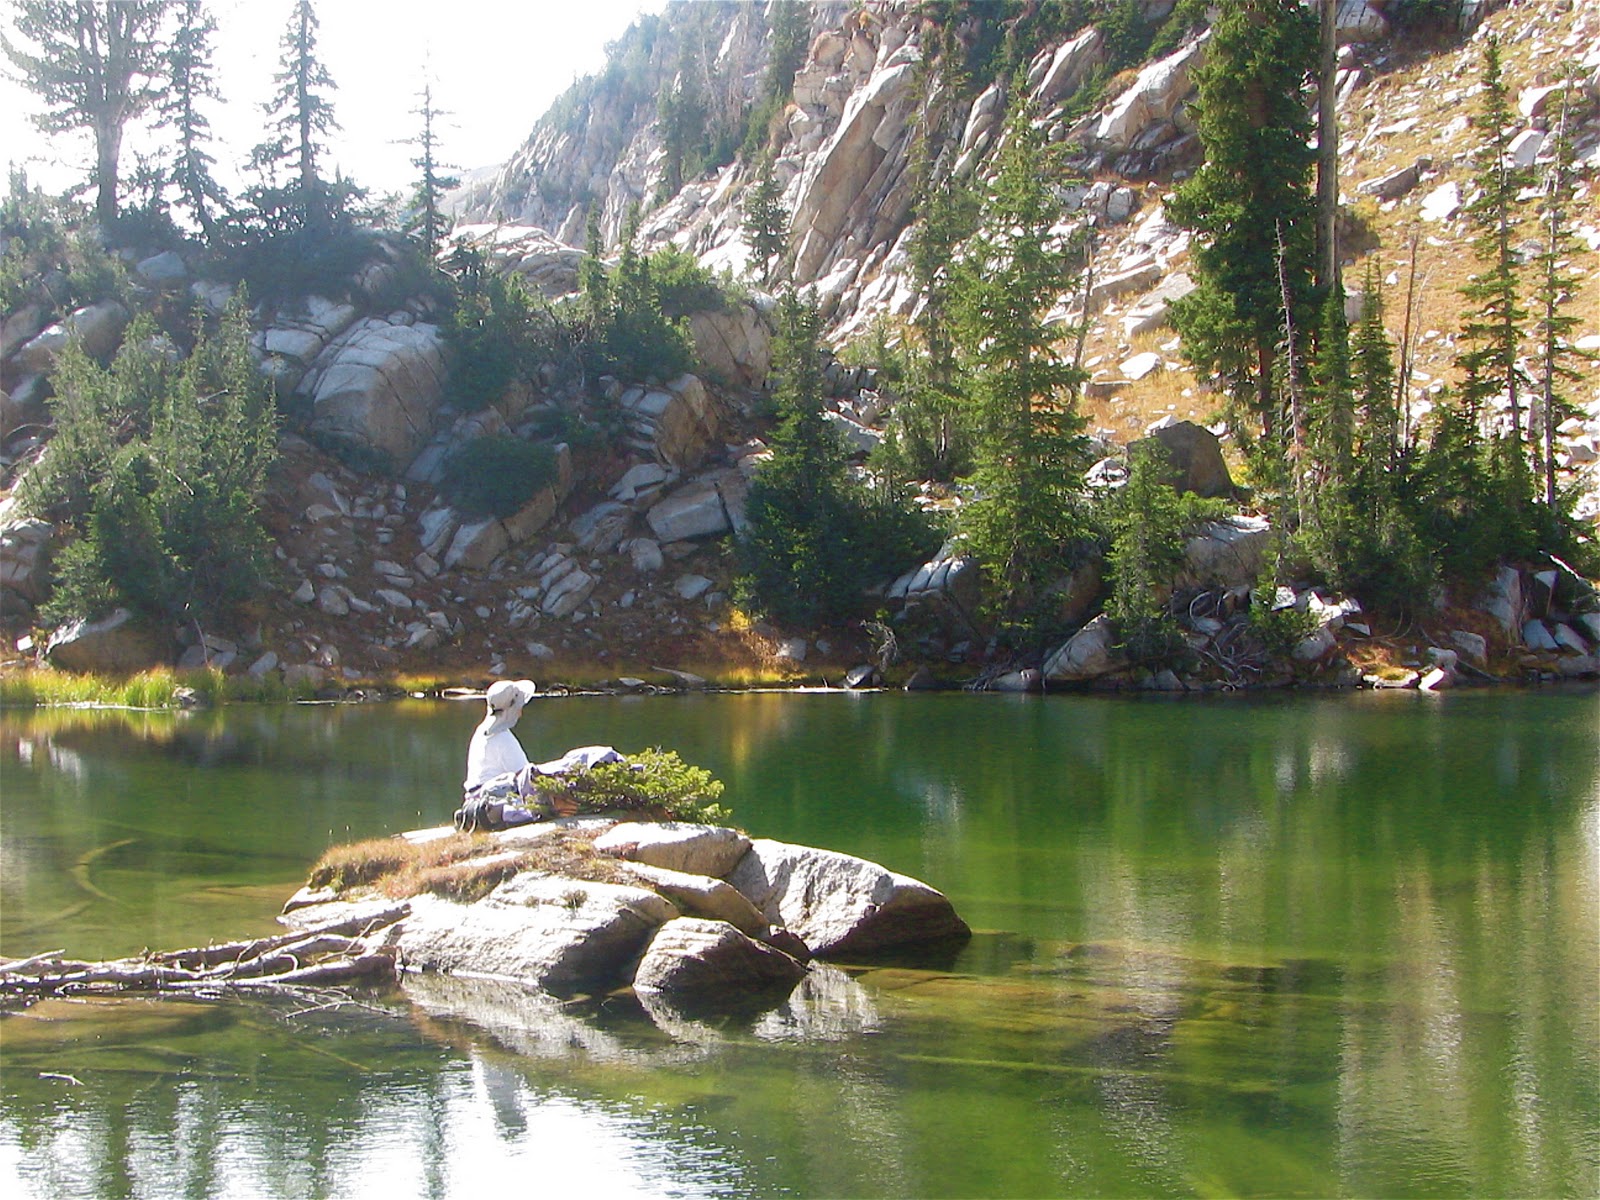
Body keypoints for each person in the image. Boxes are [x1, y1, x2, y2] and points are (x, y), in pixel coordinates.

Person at [457, 679, 542, 832]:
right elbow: (527, 779)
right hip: (493, 804)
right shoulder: (503, 738)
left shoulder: (481, 731)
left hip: (473, 801)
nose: (520, 712)